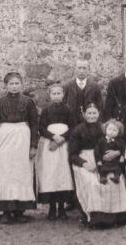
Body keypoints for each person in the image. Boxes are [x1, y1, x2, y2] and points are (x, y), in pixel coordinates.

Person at [68, 104, 126, 227]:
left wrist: (117, 152)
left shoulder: (105, 127)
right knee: (94, 183)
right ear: (84, 114)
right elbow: (73, 154)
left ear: (99, 113)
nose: (92, 116)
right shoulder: (77, 130)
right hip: (84, 160)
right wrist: (84, 164)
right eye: (89, 113)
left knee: (113, 180)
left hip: (104, 160)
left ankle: (117, 217)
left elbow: (119, 143)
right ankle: (97, 218)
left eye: (94, 113)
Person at [0, 71, 39, 224]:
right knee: (5, 172)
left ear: (21, 85)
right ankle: (5, 210)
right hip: (4, 140)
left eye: (17, 83)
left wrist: (33, 145)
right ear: (6, 85)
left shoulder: (28, 102)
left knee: (21, 172)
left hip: (23, 140)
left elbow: (34, 124)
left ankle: (19, 211)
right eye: (11, 84)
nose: (14, 86)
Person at [36, 83, 75, 220]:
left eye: (59, 93)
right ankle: (52, 208)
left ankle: (62, 208)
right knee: (51, 173)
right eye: (54, 93)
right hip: (50, 145)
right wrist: (53, 137)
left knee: (62, 173)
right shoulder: (46, 110)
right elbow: (41, 127)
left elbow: (73, 126)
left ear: (63, 95)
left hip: (64, 145)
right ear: (50, 95)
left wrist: (62, 138)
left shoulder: (68, 109)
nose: (57, 96)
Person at [63, 58, 104, 127]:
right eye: (79, 68)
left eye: (84, 68)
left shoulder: (95, 86)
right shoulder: (68, 86)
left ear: (88, 70)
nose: (81, 71)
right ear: (75, 69)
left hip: (90, 123)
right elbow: (64, 105)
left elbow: (100, 107)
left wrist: (97, 124)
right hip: (72, 123)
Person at [95, 119, 126, 184]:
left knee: (118, 168)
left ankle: (117, 177)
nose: (111, 132)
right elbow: (97, 150)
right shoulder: (101, 140)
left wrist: (122, 156)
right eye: (109, 129)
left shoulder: (120, 141)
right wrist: (98, 160)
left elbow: (123, 149)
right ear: (105, 129)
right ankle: (102, 177)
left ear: (118, 132)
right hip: (104, 161)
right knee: (102, 168)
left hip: (116, 161)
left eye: (114, 130)